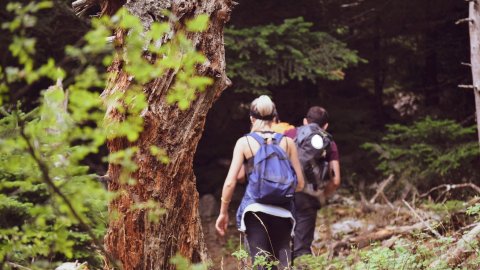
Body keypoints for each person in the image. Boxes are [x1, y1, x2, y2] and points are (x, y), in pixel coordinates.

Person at [215, 95, 305, 269]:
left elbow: (230, 183)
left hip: (254, 211)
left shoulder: (244, 142)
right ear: (274, 118)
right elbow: (300, 184)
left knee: (261, 264)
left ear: (251, 118)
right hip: (284, 212)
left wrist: (223, 212)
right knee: (283, 265)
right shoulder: (287, 142)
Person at [284, 106, 341, 259]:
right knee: (301, 249)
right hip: (307, 197)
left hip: (282, 193)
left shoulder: (288, 134)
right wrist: (320, 195)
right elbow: (335, 180)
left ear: (304, 121)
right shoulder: (328, 141)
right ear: (326, 125)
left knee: (279, 246)